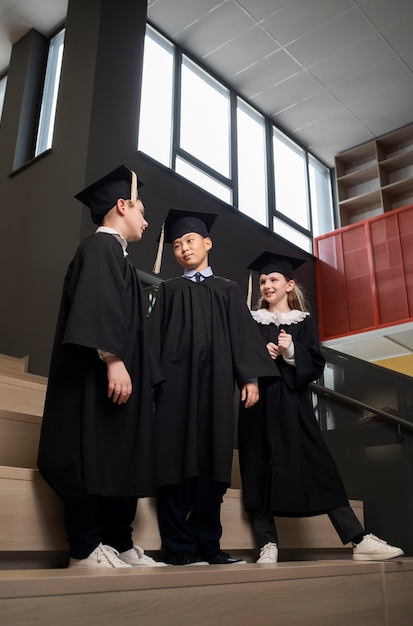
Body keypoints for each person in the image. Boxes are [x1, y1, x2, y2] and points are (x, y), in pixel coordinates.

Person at [238, 250, 404, 564]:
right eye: (262, 281)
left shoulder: (304, 323)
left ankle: (359, 538)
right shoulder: (250, 322)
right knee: (257, 469)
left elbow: (315, 365)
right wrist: (263, 354)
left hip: (293, 405)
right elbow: (239, 360)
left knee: (320, 467)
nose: (267, 286)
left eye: (273, 280)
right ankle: (268, 544)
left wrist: (290, 353)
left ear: (289, 285)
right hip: (258, 405)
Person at [37, 164, 166, 569]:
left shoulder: (119, 258)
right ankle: (85, 547)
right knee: (92, 455)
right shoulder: (99, 249)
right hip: (99, 377)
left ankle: (117, 542)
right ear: (121, 204)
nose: (146, 221)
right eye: (142, 211)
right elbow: (97, 307)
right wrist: (113, 359)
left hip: (117, 381)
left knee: (118, 458)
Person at [149, 209, 280, 566]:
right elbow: (154, 341)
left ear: (207, 243)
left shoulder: (227, 289)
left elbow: (241, 335)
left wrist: (250, 378)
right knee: (174, 463)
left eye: (189, 241)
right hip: (175, 388)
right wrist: (154, 385)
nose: (183, 249)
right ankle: (177, 548)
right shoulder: (170, 290)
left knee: (214, 463)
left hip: (218, 387)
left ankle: (208, 545)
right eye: (176, 245)